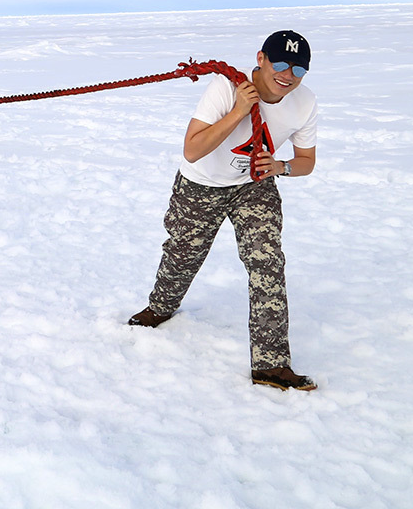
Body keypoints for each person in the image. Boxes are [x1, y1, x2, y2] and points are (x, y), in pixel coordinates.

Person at [129, 30, 320, 391]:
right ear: (261, 59)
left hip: (254, 186)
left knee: (267, 264)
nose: (287, 75)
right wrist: (239, 111)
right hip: (201, 185)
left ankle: (271, 365)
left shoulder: (305, 103)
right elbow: (192, 149)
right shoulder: (225, 87)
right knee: (182, 256)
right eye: (280, 63)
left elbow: (307, 161)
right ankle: (161, 307)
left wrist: (281, 167)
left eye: (298, 69)